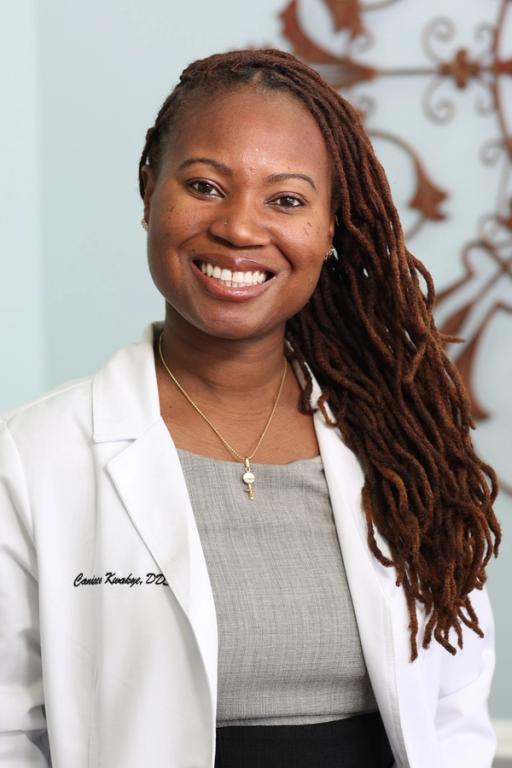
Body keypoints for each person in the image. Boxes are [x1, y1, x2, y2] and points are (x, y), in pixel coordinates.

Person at [0, 48, 501, 768]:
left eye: (288, 200)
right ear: (148, 189)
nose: (239, 228)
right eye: (205, 185)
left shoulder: (402, 455)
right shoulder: (32, 458)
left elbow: (454, 709)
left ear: (332, 227)